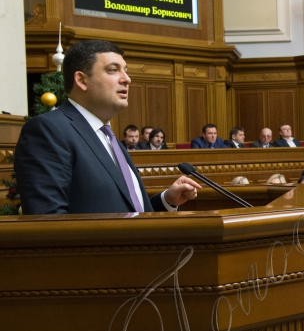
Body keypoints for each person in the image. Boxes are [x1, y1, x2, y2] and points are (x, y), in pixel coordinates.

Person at [14, 40, 199, 215]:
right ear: (82, 80)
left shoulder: (107, 136)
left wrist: (167, 200)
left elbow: (128, 213)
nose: (127, 79)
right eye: (113, 70)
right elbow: (48, 221)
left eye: (125, 71)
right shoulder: (48, 131)